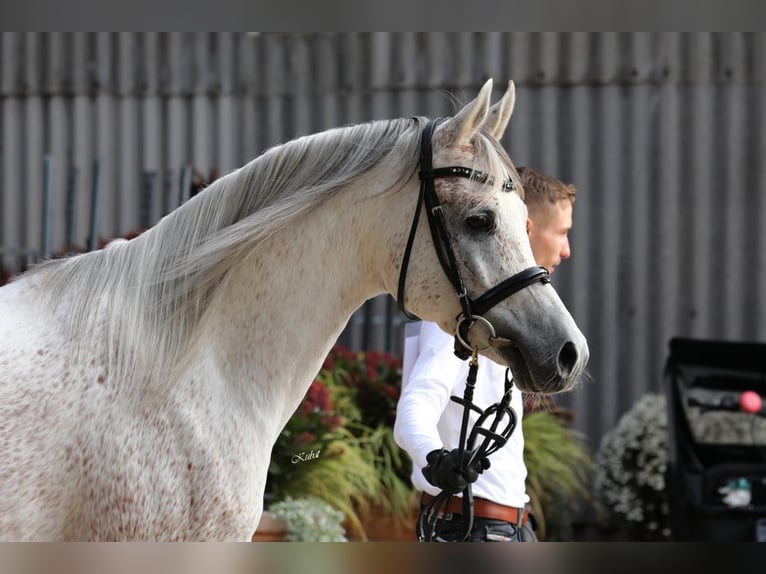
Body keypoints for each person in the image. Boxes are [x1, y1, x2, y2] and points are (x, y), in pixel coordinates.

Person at [394, 165, 577, 542]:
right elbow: (415, 405)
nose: (566, 249)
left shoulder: (498, 321)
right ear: (525, 228)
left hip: (503, 527)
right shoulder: (462, 323)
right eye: (561, 233)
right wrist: (435, 458)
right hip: (475, 530)